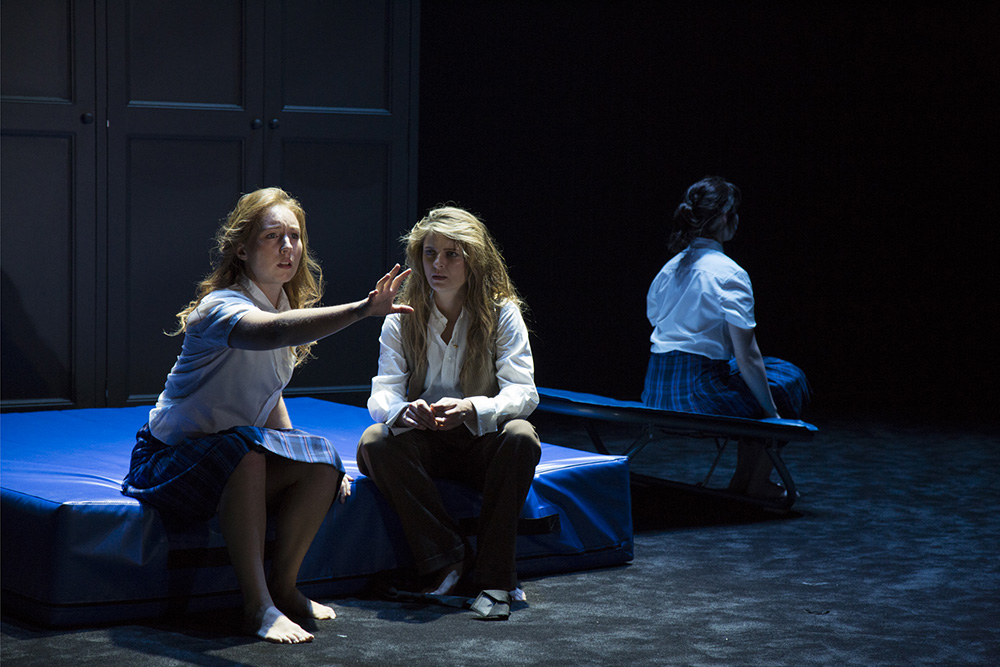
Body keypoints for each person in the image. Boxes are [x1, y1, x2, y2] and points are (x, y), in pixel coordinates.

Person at [121, 187, 412, 643]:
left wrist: (304, 455)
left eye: (294, 236)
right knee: (245, 452)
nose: (287, 247)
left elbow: (269, 391)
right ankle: (257, 607)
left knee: (321, 460)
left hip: (227, 456)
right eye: (272, 236)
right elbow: (267, 335)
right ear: (242, 248)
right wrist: (362, 310)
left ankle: (284, 589)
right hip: (167, 461)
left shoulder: (282, 307)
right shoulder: (220, 305)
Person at [356, 206, 541, 621]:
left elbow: (523, 391)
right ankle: (448, 558)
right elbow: (382, 393)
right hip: (428, 443)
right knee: (374, 441)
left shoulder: (501, 312)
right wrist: (405, 410)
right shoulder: (401, 318)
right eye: (429, 253)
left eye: (451, 255)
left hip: (481, 442)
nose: (437, 264)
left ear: (473, 259)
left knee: (522, 434)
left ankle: (496, 577)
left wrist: (474, 407)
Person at [643, 176, 811, 499]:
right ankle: (754, 481)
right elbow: (748, 357)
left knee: (771, 372)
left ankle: (744, 483)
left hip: (655, 390)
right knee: (788, 382)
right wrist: (774, 416)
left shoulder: (668, 270)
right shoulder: (729, 273)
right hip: (697, 395)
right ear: (723, 218)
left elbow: (658, 324)